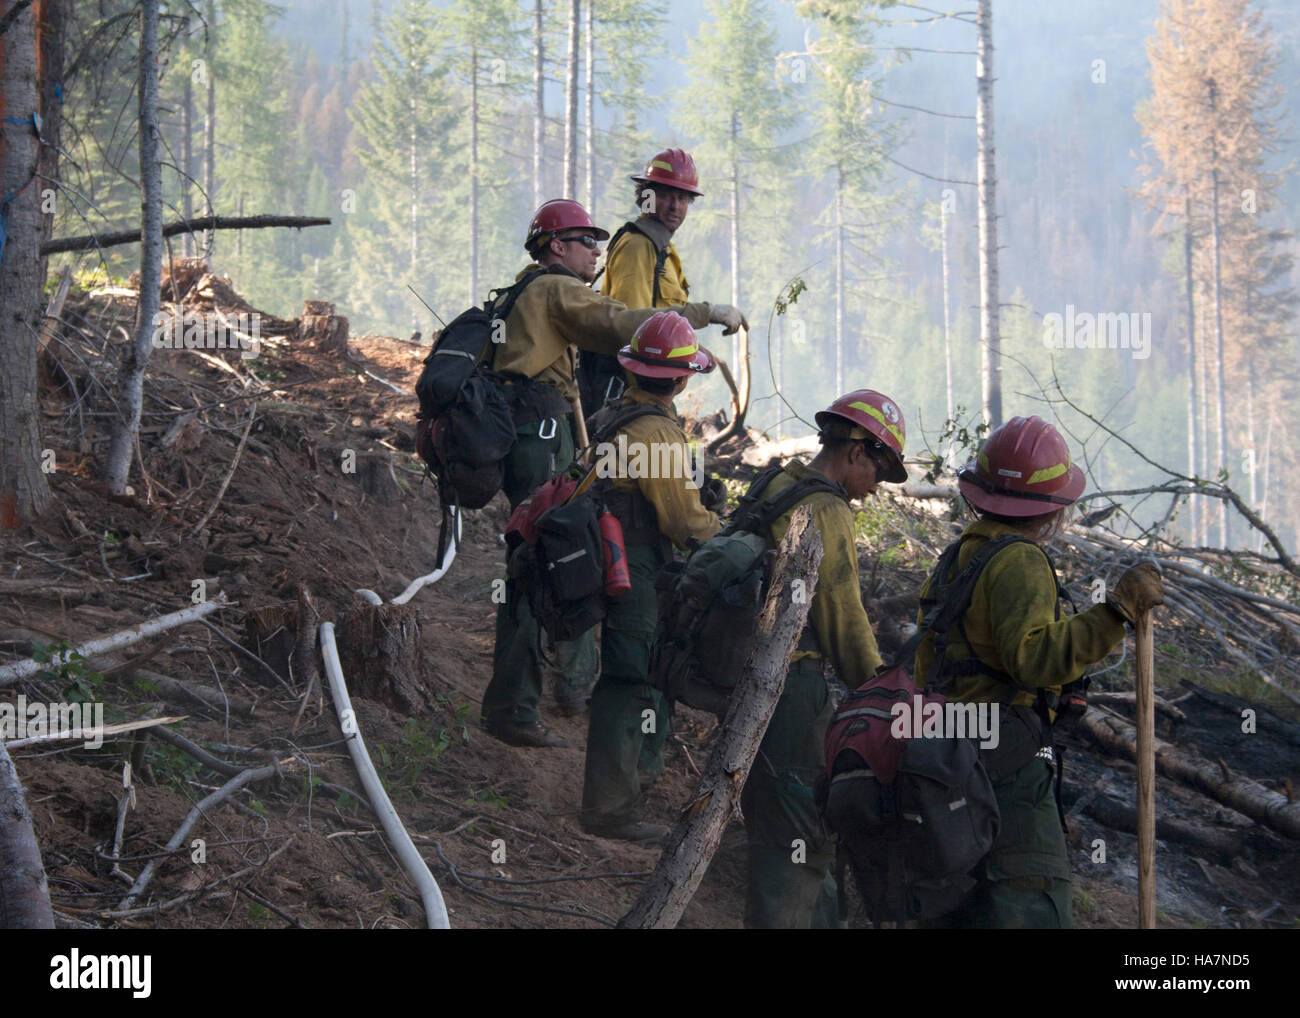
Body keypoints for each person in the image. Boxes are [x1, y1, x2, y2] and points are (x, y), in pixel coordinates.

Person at [481, 198, 742, 748]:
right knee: (543, 558)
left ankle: (548, 691)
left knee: (542, 554)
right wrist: (704, 313)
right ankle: (517, 707)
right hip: (539, 431)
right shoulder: (555, 287)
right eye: (585, 241)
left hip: (529, 429)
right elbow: (622, 321)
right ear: (556, 246)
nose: (597, 251)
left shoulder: (522, 289)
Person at [915, 414, 1165, 928]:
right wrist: (1115, 613)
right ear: (1053, 507)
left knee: (963, 902)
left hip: (943, 750)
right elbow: (1031, 660)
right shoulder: (1020, 560)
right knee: (1030, 898)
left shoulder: (959, 556)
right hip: (1005, 758)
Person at [742, 389, 908, 927]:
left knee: (780, 818)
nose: (875, 487)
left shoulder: (778, 481)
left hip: (748, 675)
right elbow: (844, 619)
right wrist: (881, 694)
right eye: (878, 471)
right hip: (792, 687)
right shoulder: (827, 508)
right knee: (800, 833)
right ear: (857, 452)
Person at [579, 311, 725, 841]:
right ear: (682, 380)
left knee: (644, 674)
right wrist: (727, 536)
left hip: (620, 558)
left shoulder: (612, 416)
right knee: (632, 676)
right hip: (639, 564)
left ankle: (632, 788)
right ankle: (610, 810)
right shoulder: (656, 434)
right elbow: (683, 522)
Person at [576, 147, 746, 417]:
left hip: (654, 392)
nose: (675, 206)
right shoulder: (637, 246)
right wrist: (707, 313)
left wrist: (693, 351)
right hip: (634, 394)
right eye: (666, 195)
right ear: (647, 197)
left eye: (682, 198)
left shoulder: (662, 248)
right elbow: (632, 328)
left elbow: (659, 326)